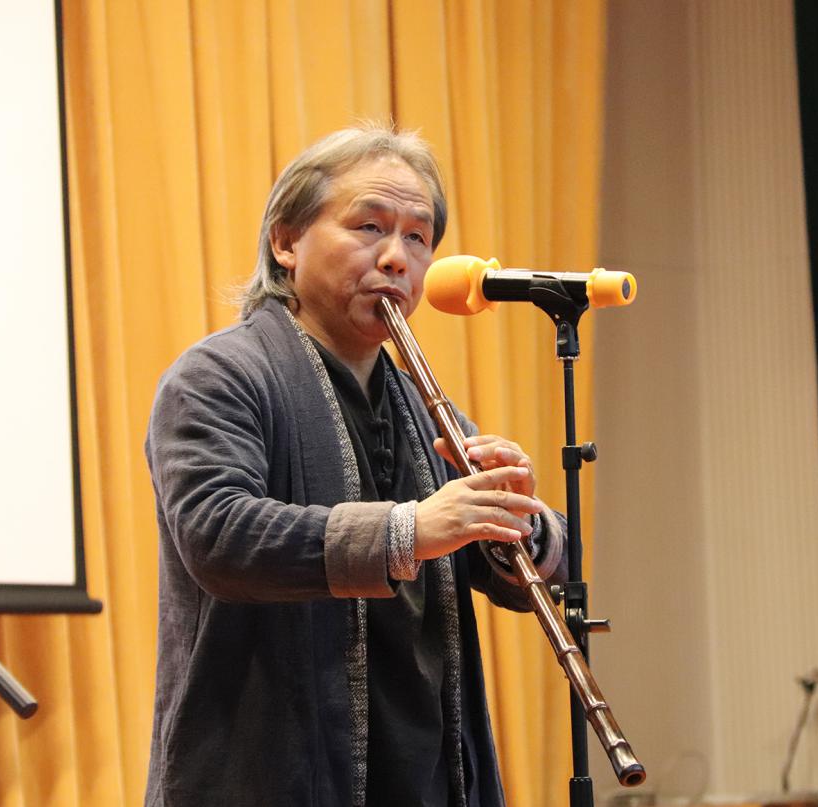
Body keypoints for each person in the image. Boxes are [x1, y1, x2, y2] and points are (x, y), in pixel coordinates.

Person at [143, 123, 567, 807]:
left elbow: (535, 571)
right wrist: (409, 531)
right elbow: (218, 535)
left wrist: (519, 520)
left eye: (417, 237)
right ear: (286, 242)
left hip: (427, 776)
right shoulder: (218, 376)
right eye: (369, 227)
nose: (397, 258)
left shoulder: (424, 406)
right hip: (265, 775)